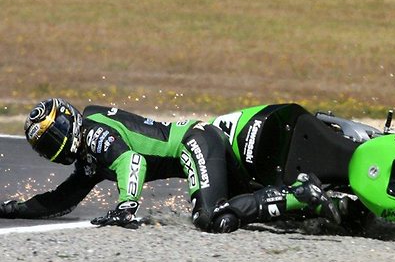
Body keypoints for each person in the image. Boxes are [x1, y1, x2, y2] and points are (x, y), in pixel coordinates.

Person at [0, 98, 340, 232]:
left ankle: (301, 193)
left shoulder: (95, 135)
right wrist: (10, 210)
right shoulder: (89, 158)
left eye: (54, 133)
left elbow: (130, 161)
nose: (55, 144)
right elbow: (62, 199)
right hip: (200, 144)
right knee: (257, 214)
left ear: (69, 120)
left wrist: (125, 204)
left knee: (211, 218)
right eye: (46, 144)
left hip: (195, 142)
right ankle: (333, 203)